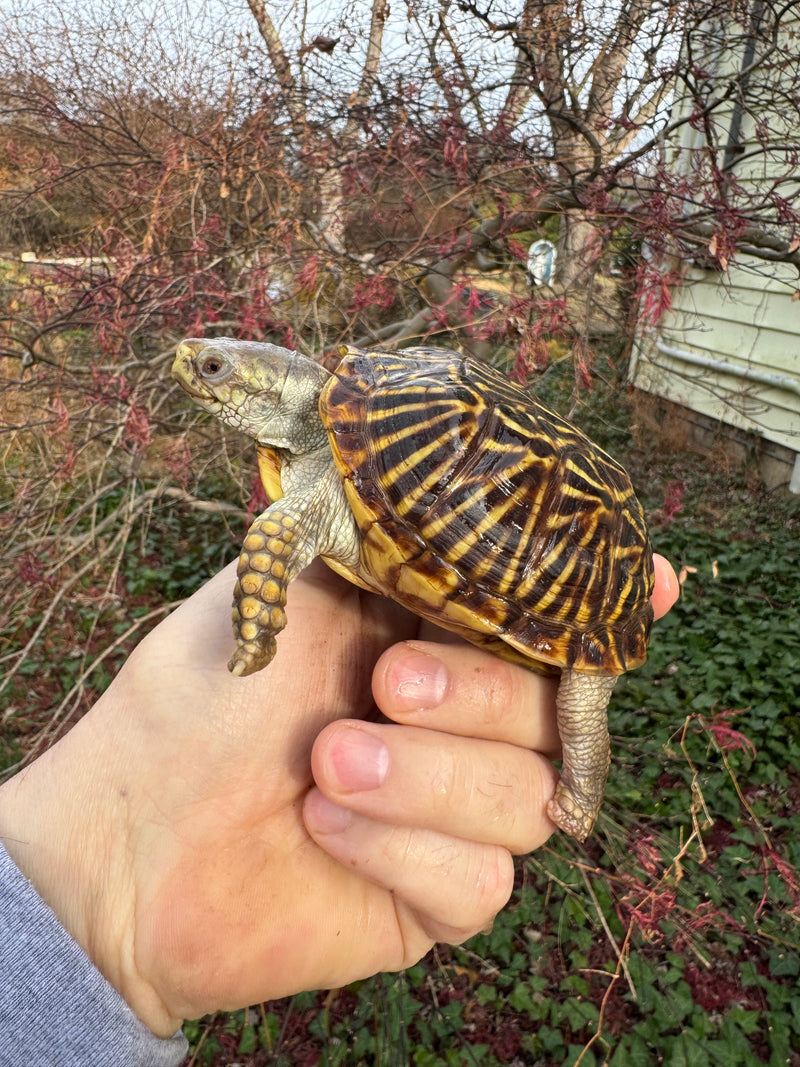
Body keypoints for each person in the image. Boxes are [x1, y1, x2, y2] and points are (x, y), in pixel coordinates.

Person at [0, 554, 679, 1065]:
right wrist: (109, 916)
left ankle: (583, 786)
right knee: (572, 706)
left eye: (212, 369)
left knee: (579, 709)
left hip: (550, 568)